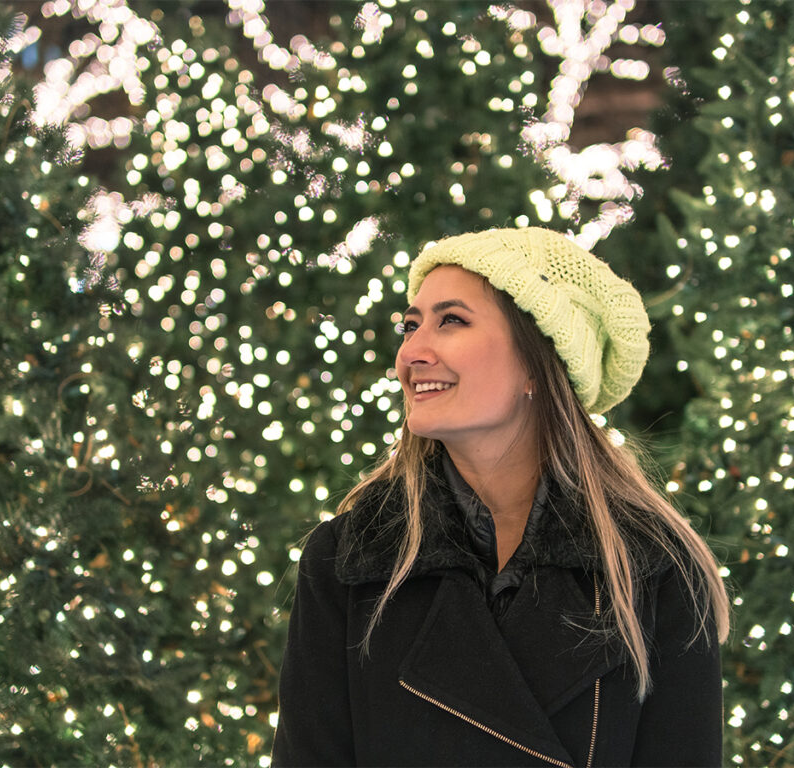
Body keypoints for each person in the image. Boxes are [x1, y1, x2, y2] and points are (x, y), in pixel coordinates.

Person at [271, 227, 730, 767]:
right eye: (410, 325)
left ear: (540, 360)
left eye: (452, 321)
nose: (411, 352)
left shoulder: (653, 571)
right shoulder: (350, 559)